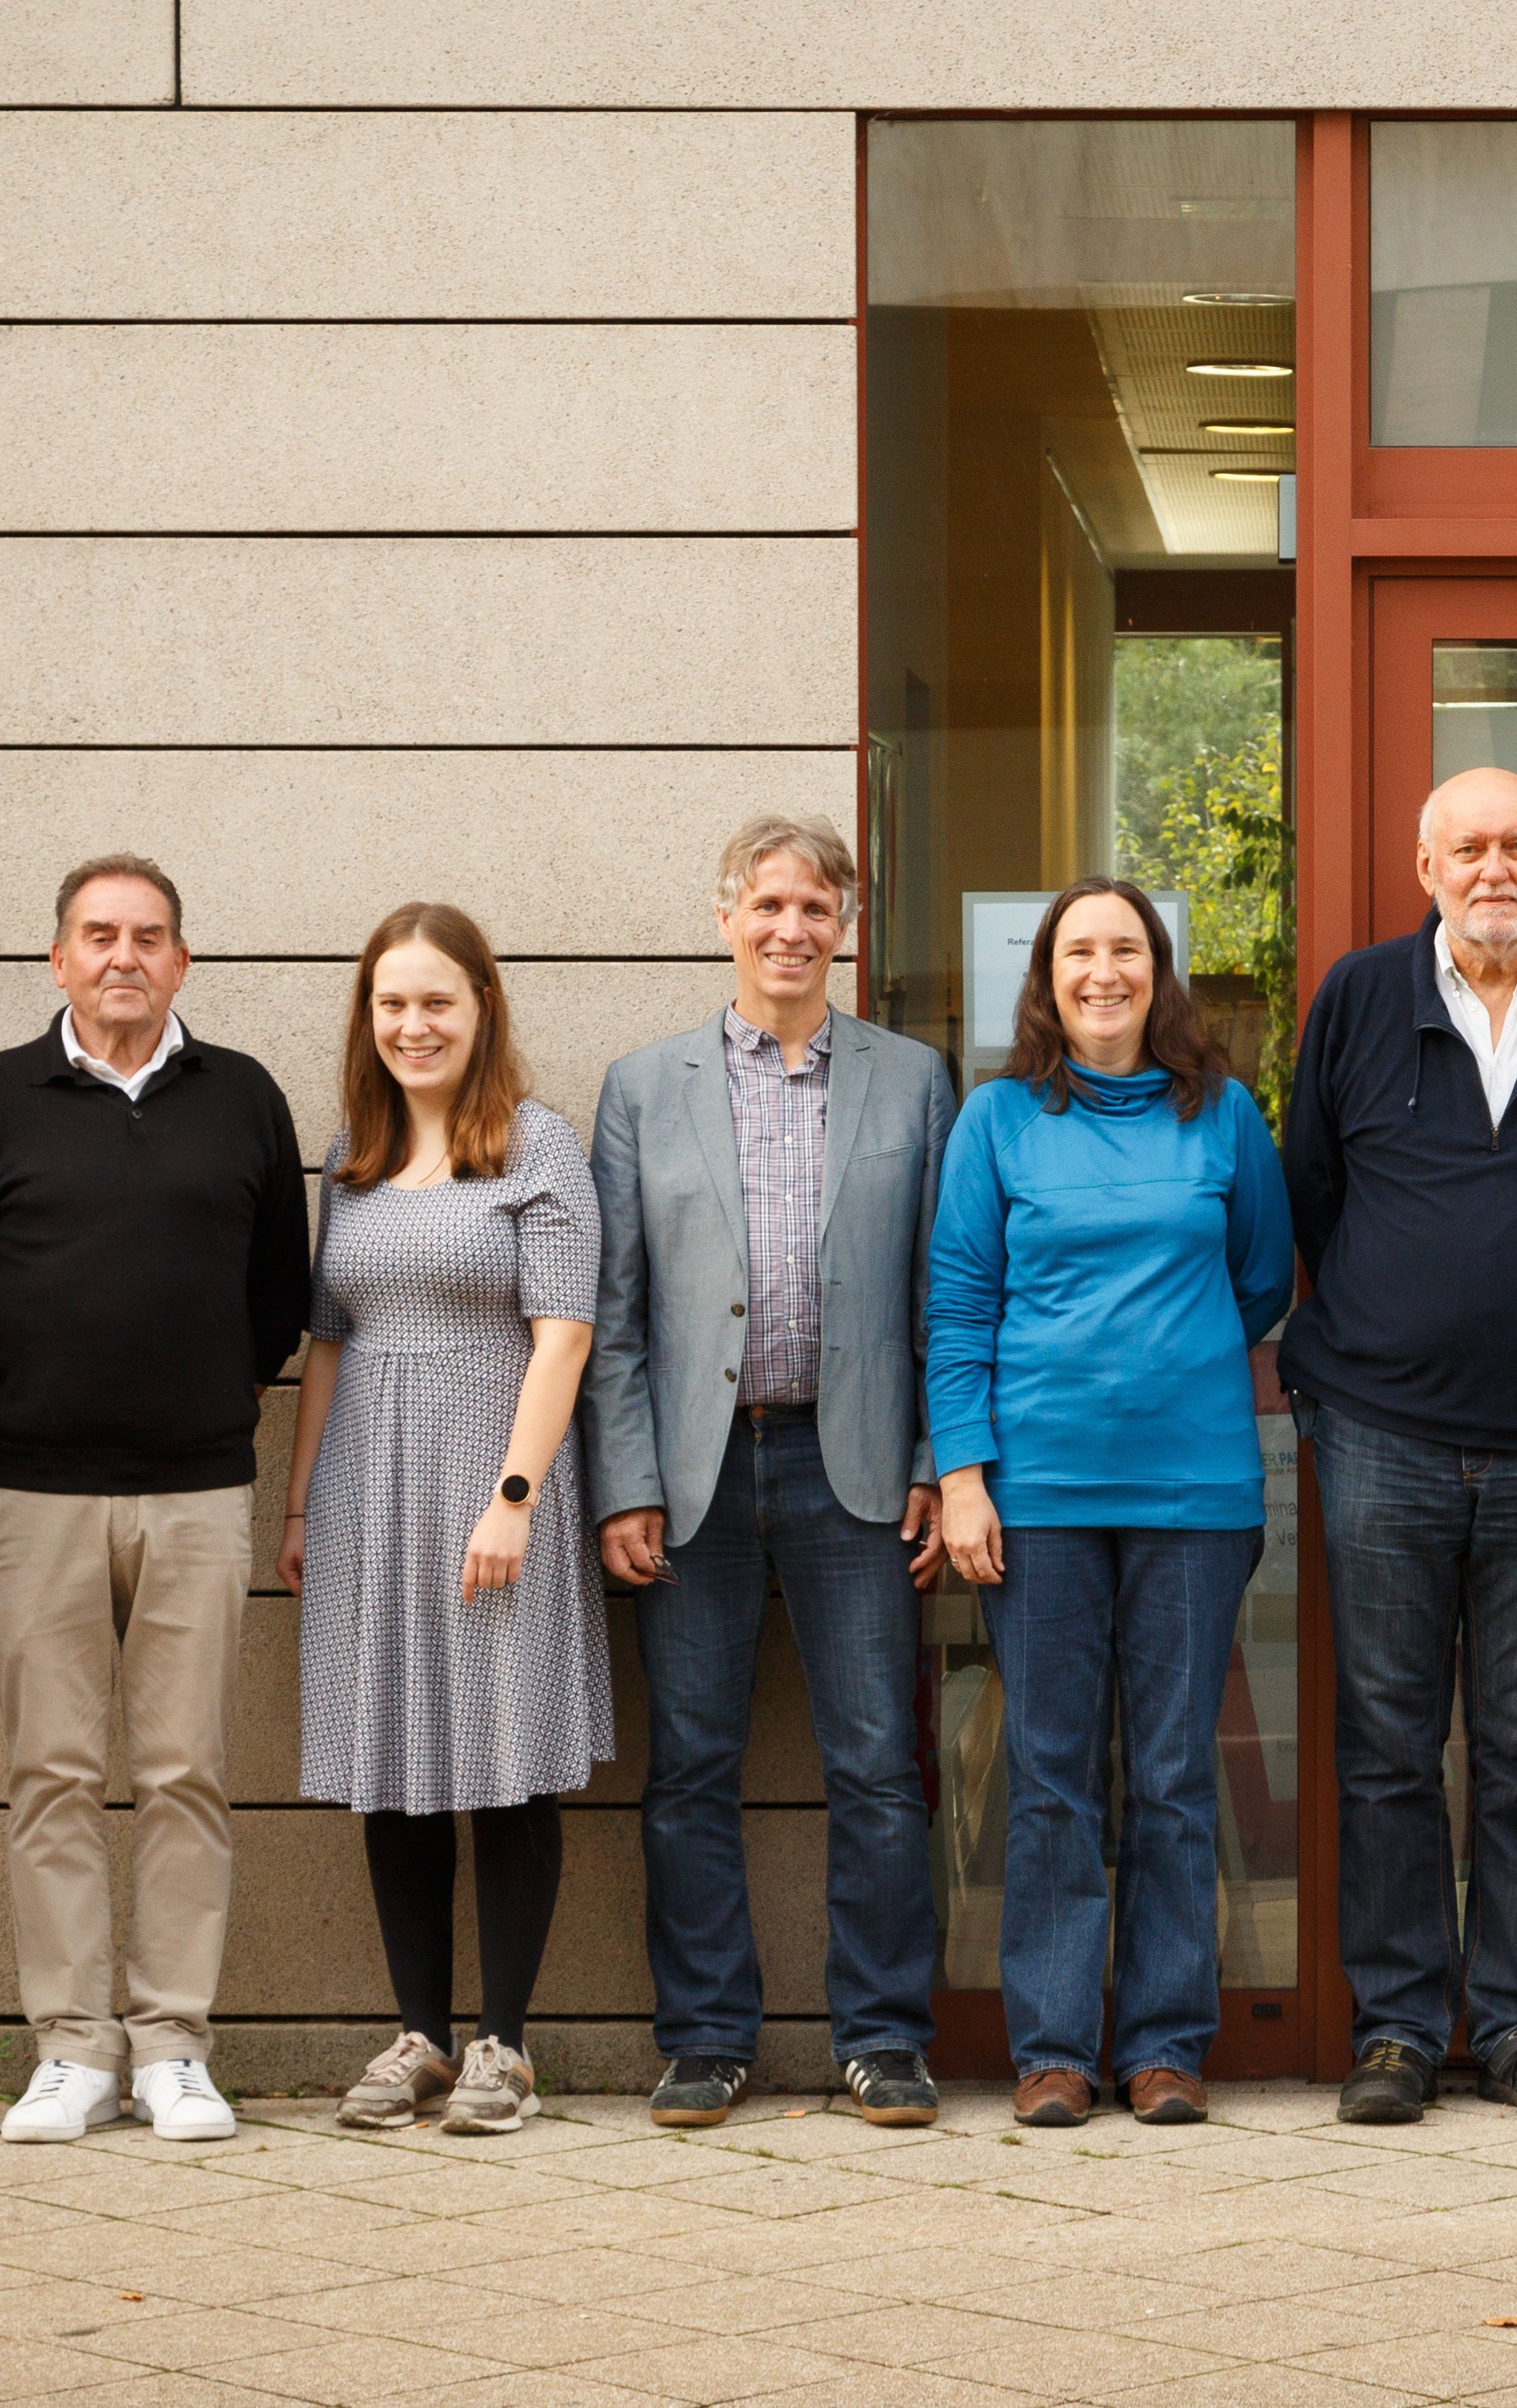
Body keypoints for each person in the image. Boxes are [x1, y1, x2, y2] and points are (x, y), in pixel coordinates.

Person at [1278, 764, 1517, 2126]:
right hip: (1381, 1429)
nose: (1493, 869)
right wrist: (1403, 1320)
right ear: (1426, 866)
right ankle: (1397, 2026)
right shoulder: (1359, 997)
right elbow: (1314, 1188)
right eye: (1468, 848)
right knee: (1389, 1742)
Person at [0, 856, 309, 2146]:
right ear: (59, 957)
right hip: (35, 1493)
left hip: (199, 1489)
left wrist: (211, 1397)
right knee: (54, 1775)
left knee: (188, 1769)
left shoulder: (243, 1097)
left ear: (182, 960)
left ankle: (175, 2043)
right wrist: (24, 1403)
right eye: (99, 934)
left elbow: (280, 1292)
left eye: (148, 936)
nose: (123, 956)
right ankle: (74, 2049)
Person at [587, 816, 957, 2129]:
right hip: (693, 1474)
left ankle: (885, 2036)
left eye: (815, 907)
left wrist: (934, 1458)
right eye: (768, 905)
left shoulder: (913, 1081)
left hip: (857, 1468)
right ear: (725, 917)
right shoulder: (644, 1087)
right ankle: (704, 2038)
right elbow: (613, 1313)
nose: (791, 929)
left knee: (878, 1764)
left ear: (844, 925)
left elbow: (943, 1294)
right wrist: (624, 1479)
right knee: (690, 1764)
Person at [928, 881, 1295, 2127]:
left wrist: (1162, 1359)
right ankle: (1053, 2048)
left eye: (1126, 948)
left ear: (1158, 971)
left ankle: (1165, 2044)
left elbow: (1260, 1279)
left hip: (1195, 1490)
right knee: (1051, 1773)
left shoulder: (1224, 1115)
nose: (1103, 971)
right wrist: (965, 1475)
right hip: (1040, 1494)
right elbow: (958, 1305)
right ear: (1047, 974)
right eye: (1078, 950)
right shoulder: (997, 1120)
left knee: (1177, 1773)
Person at [285, 904, 607, 2135]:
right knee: (393, 1753)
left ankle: (504, 2046)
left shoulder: (536, 1144)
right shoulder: (352, 1158)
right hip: (369, 1488)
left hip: (493, 1483)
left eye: (437, 1001)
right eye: (392, 1003)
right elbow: (328, 1343)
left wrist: (514, 1497)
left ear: (482, 1008)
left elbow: (563, 1336)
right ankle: (419, 2032)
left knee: (505, 1749)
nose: (413, 1024)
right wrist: (303, 1500)